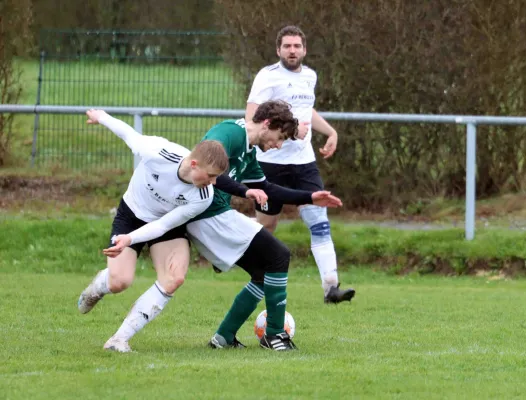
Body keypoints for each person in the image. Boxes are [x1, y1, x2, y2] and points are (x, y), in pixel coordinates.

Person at [76, 109, 264, 353]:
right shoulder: (156, 152)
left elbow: (163, 226)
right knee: (120, 281)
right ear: (194, 164)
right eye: (210, 176)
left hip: (163, 223)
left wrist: (131, 240)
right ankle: (100, 285)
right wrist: (101, 117)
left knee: (174, 277)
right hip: (131, 214)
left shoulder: (204, 196)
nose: (214, 183)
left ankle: (118, 340)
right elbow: (128, 134)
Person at [186, 100, 343, 351]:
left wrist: (310, 197)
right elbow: (205, 168)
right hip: (207, 215)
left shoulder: (249, 152)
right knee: (279, 256)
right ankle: (275, 336)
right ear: (267, 124)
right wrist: (245, 192)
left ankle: (223, 337)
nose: (278, 145)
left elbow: (267, 189)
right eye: (279, 138)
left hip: (215, 215)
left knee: (264, 274)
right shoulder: (229, 133)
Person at [245, 25, 355, 304]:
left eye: (297, 46)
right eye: (287, 46)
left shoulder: (309, 76)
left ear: (304, 49)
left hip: (304, 164)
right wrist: (290, 132)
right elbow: (251, 119)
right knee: (266, 226)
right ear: (278, 50)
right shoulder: (267, 77)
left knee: (319, 221)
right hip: (270, 163)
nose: (292, 51)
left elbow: (307, 110)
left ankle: (331, 287)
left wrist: (330, 131)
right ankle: (237, 252)